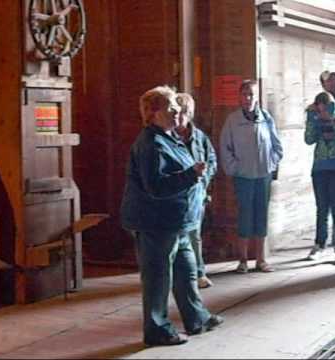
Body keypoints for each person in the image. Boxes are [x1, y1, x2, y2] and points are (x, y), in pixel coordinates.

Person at [120, 85, 223, 347]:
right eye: (170, 107)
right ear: (154, 113)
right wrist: (191, 175)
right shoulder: (151, 144)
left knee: (187, 271)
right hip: (157, 223)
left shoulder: (170, 137)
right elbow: (155, 186)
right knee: (158, 278)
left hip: (179, 221)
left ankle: (197, 317)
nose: (177, 110)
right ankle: (157, 330)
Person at [220, 79, 283, 274]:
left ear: (257, 97)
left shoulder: (266, 118)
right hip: (243, 176)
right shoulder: (232, 120)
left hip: (262, 175)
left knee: (260, 216)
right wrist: (234, 168)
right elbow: (225, 147)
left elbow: (277, 146)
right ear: (239, 97)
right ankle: (243, 260)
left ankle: (261, 260)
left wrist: (271, 163)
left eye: (251, 94)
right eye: (244, 94)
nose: (248, 98)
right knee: (245, 215)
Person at [304, 91, 335, 264]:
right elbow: (309, 139)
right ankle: (319, 244)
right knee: (322, 208)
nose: (323, 113)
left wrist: (331, 118)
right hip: (320, 168)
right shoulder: (315, 119)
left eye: (326, 109)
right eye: (320, 110)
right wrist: (311, 118)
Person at [176, 93, 217, 289]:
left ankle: (199, 273)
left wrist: (205, 179)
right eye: (177, 111)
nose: (180, 116)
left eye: (184, 112)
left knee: (194, 235)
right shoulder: (168, 137)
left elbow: (212, 160)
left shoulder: (199, 138)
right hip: (176, 194)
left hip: (196, 194)